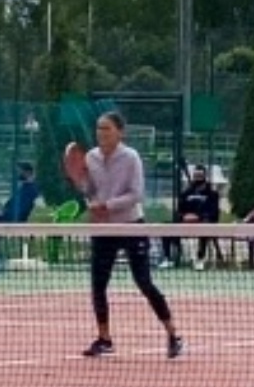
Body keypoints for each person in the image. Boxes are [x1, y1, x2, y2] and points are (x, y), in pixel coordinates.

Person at [76, 111, 183, 358]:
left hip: (131, 225)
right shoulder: (91, 157)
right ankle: (104, 339)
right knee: (98, 285)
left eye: (107, 128)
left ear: (120, 132)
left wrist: (107, 206)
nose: (101, 133)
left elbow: (136, 194)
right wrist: (86, 189)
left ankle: (173, 334)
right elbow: (90, 190)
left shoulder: (131, 157)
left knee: (144, 282)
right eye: (99, 128)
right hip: (103, 230)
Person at [160, 164, 222, 270]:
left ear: (205, 176)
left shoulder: (212, 194)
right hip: (185, 222)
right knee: (165, 227)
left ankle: (200, 259)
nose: (198, 178)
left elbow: (214, 212)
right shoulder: (186, 193)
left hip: (203, 222)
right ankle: (168, 258)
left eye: (200, 176)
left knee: (205, 227)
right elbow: (179, 210)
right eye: (196, 176)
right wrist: (184, 216)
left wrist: (198, 217)